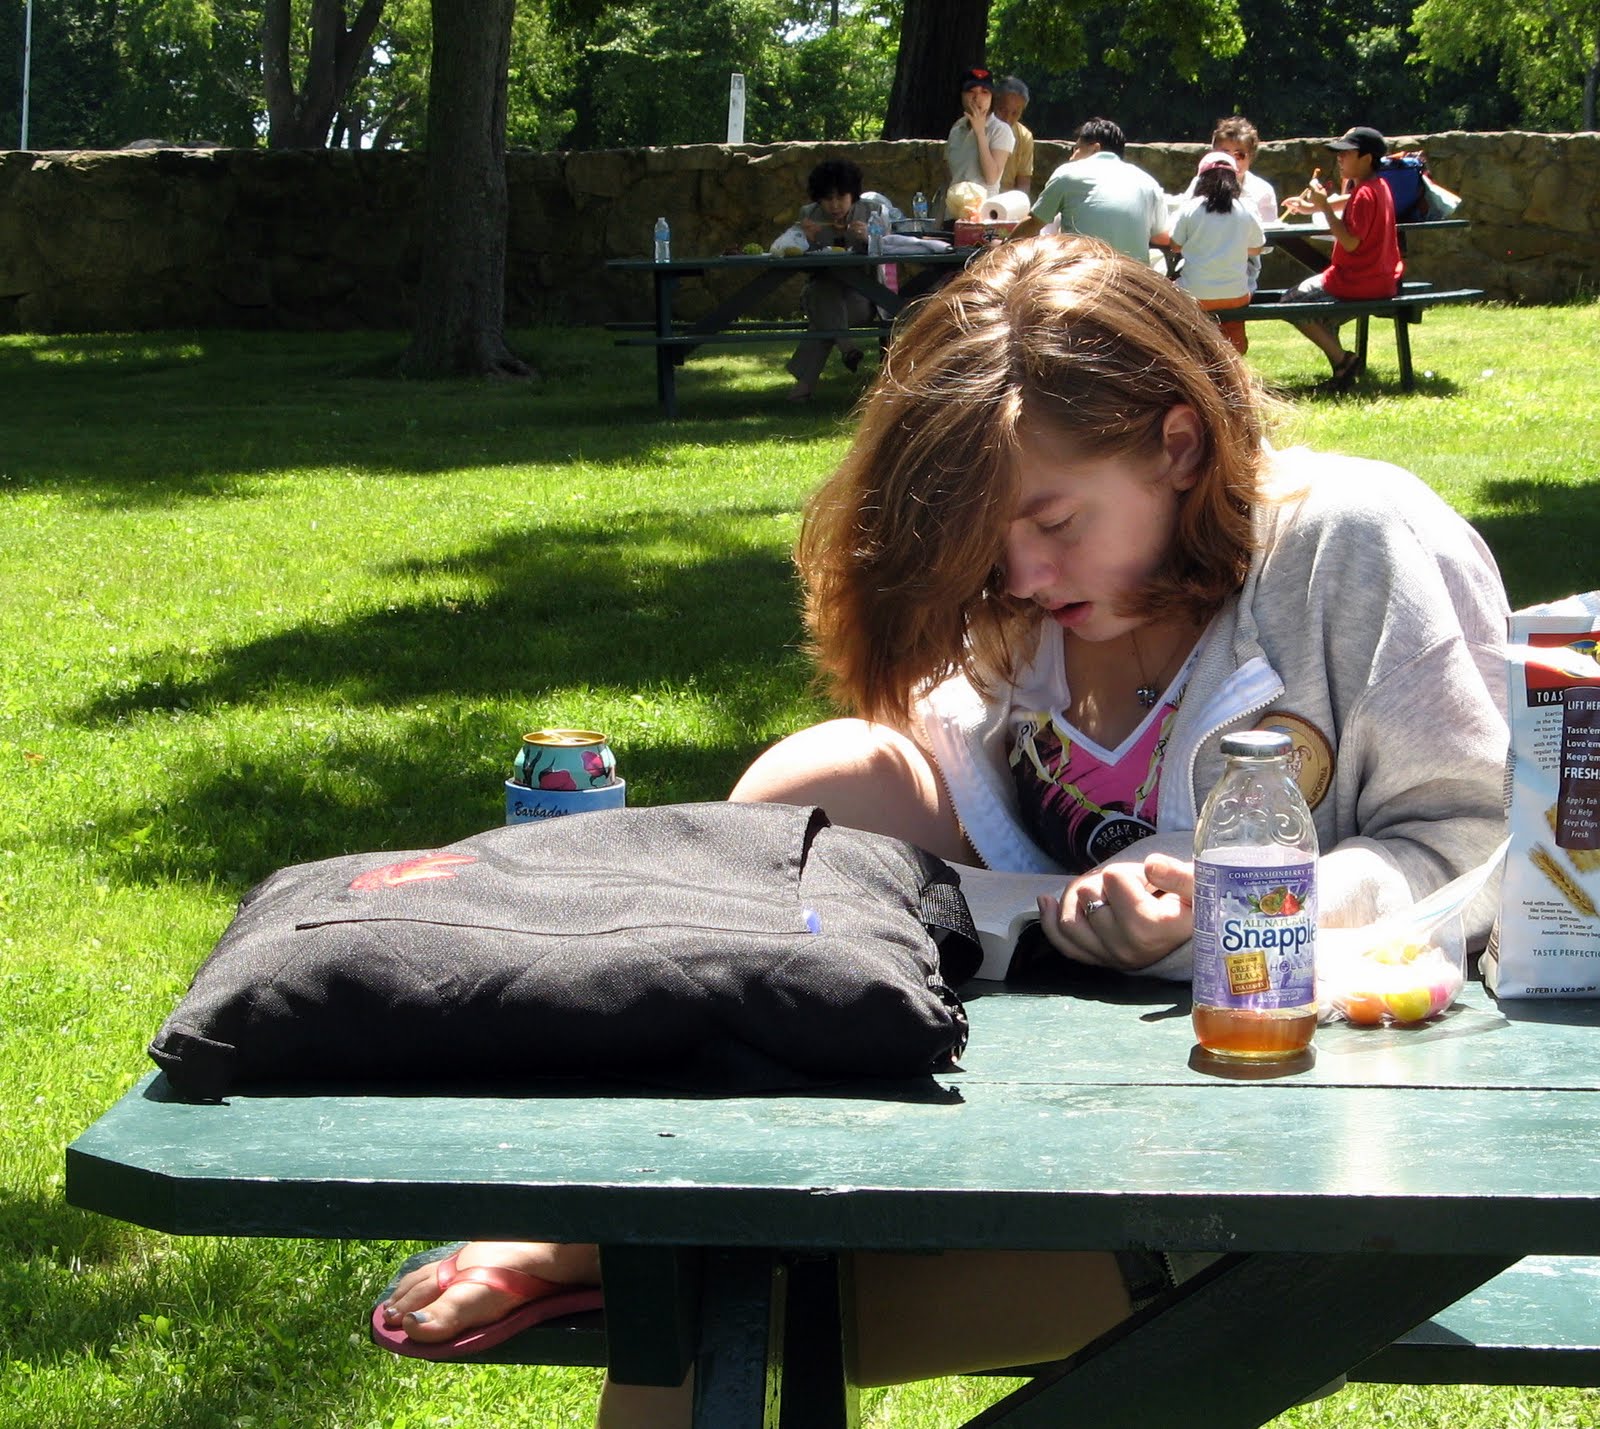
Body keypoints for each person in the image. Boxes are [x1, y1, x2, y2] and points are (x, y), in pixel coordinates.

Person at [374, 238, 1509, 1423]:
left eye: (1053, 519)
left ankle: (622, 1241)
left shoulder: (1352, 544)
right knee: (806, 802)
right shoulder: (1020, 591)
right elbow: (958, 801)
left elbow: (1474, 846)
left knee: (708, 1288)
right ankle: (645, 1223)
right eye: (985, 540)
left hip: (1250, 1135)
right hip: (1015, 1066)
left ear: (1179, 444)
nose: (1020, 573)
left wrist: (1240, 905)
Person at [1279, 125, 1404, 389]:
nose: (1339, 158)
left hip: (1357, 281)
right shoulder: (1378, 185)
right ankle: (1341, 373)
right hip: (1382, 279)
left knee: (1289, 302)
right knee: (1319, 318)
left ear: (1366, 158)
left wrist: (1324, 206)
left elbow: (1349, 243)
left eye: (1346, 153)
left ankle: (1343, 361)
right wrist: (1312, 206)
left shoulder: (1364, 194)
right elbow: (1350, 199)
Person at [769, 158, 881, 403]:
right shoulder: (809, 215)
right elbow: (790, 258)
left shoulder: (871, 212)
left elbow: (890, 253)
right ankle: (848, 348)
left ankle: (803, 387)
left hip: (860, 296)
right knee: (824, 291)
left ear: (852, 195)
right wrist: (804, 241)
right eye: (828, 199)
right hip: (819, 291)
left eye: (841, 197)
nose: (835, 205)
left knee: (824, 319)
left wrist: (870, 240)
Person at [1010, 118, 1169, 260]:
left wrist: (1004, 247)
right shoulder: (1149, 183)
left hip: (1086, 276)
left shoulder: (1068, 173)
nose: (1071, 157)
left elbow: (1033, 224)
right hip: (1133, 279)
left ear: (1095, 148)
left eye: (1075, 149)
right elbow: (1161, 237)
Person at [1169, 150, 1265, 355]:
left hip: (1195, 295)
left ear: (1201, 178)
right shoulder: (1244, 209)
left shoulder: (1190, 208)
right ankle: (1235, 355)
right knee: (1233, 331)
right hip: (1236, 295)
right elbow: (1257, 247)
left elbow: (1175, 245)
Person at [1177, 115, 1277, 290]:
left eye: (1240, 155)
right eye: (1224, 154)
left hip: (1242, 271)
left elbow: (1268, 243)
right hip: (1199, 264)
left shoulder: (1262, 190)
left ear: (1251, 157)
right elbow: (1182, 223)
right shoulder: (1199, 183)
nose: (1231, 160)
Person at [945, 66, 1015, 203]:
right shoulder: (957, 129)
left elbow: (991, 178)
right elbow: (949, 176)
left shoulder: (1000, 130)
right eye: (971, 91)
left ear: (992, 98)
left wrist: (980, 133)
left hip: (983, 211)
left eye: (984, 92)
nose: (977, 98)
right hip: (954, 209)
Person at [994, 75, 1035, 195]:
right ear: (993, 103)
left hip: (1005, 199)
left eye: (1015, 113)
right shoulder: (978, 128)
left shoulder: (1024, 136)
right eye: (1003, 110)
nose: (1007, 118)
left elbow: (1024, 182)